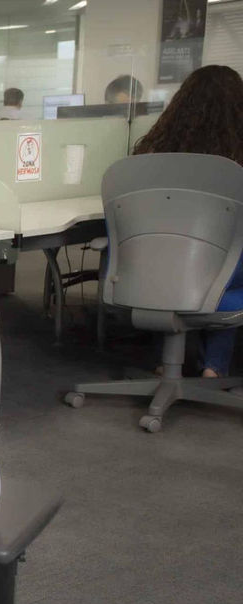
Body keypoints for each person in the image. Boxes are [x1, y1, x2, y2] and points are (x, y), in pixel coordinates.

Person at [132, 64, 243, 378]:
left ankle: (162, 362)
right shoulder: (236, 163)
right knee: (227, 260)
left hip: (155, 272)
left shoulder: (154, 155)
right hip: (222, 273)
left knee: (170, 257)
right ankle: (213, 368)